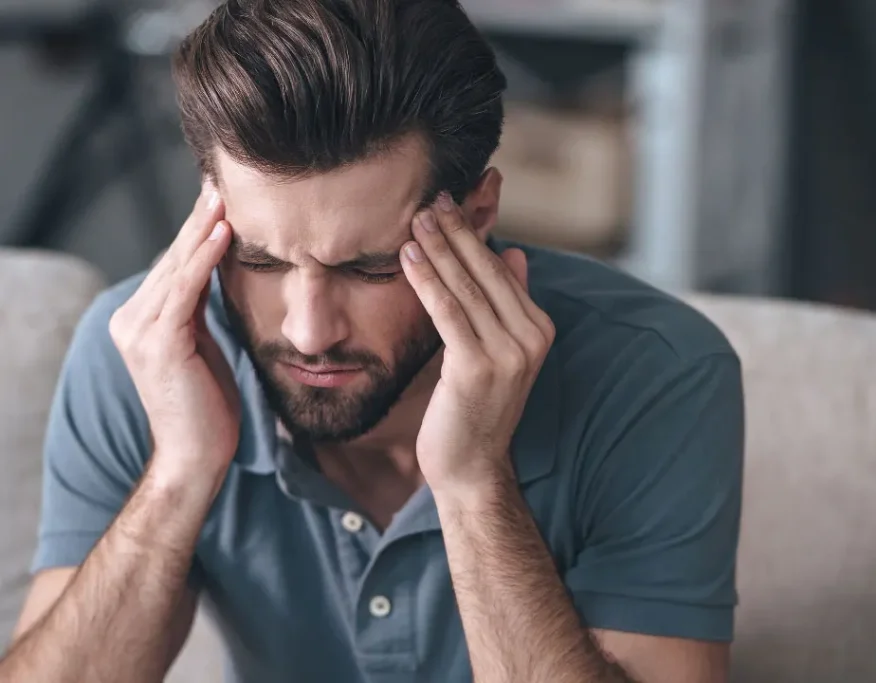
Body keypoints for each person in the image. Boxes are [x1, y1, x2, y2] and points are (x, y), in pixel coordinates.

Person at [0, 0, 744, 681]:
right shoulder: (146, 350)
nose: (307, 329)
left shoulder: (656, 374)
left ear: (477, 212)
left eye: (369, 266)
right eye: (259, 259)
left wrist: (475, 484)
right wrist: (180, 472)